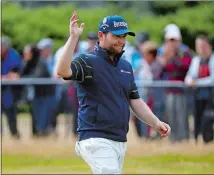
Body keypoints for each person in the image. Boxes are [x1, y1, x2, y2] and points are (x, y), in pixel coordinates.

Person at [55, 12, 171, 174]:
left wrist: (156, 123)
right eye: (117, 36)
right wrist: (73, 38)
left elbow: (135, 101)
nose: (121, 41)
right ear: (101, 35)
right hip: (95, 138)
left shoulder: (125, 66)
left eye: (124, 36)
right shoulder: (87, 61)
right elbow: (62, 71)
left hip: (119, 140)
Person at [185, 35, 214, 143]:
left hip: (213, 97)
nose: (201, 48)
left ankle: (209, 141)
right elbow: (190, 75)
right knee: (197, 120)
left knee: (209, 121)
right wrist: (189, 80)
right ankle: (198, 140)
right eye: (198, 46)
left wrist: (196, 83)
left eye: (203, 45)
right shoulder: (196, 60)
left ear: (209, 46)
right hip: (198, 97)